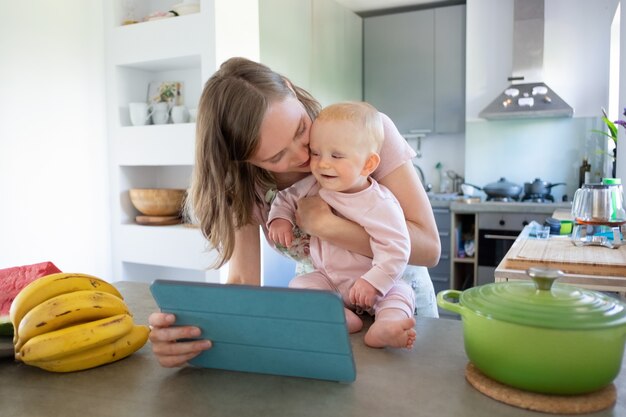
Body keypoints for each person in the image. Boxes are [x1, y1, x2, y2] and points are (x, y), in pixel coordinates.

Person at [148, 57, 440, 367]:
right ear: (244, 161)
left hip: (399, 303)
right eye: (276, 157)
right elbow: (244, 281)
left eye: (301, 129)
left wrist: (327, 226)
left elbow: (429, 249)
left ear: (290, 89)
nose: (304, 157)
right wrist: (194, 333)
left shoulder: (365, 132)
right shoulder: (243, 184)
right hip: (325, 310)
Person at [267, 101, 416, 349]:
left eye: (336, 156)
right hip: (329, 280)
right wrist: (280, 218)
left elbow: (397, 247)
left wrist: (374, 282)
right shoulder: (316, 185)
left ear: (368, 164)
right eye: (316, 153)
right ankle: (340, 317)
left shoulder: (379, 203)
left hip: (373, 283)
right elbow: (286, 197)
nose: (322, 164)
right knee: (301, 285)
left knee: (400, 293)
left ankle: (386, 326)